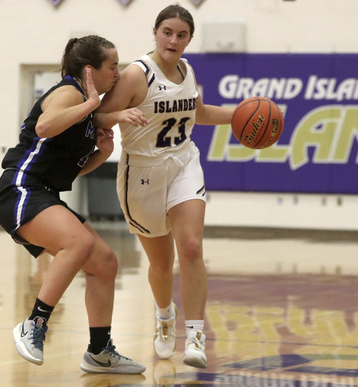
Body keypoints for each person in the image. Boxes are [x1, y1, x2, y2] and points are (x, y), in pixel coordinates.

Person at [0, 35, 145, 374]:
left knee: (104, 262)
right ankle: (34, 324)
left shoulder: (86, 106)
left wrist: (100, 155)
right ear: (90, 71)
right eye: (112, 66)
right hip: (20, 188)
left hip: (45, 193)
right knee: (80, 242)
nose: (118, 73)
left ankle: (99, 351)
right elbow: (45, 126)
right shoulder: (69, 93)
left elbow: (71, 171)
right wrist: (92, 105)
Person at [96, 4, 235, 369]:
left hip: (183, 162)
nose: (174, 40)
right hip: (142, 172)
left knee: (190, 247)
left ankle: (195, 336)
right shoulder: (135, 75)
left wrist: (242, 113)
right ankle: (163, 316)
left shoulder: (188, 70)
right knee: (161, 264)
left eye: (182, 34)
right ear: (155, 32)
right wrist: (117, 116)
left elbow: (199, 114)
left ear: (190, 39)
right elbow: (97, 114)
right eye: (167, 32)